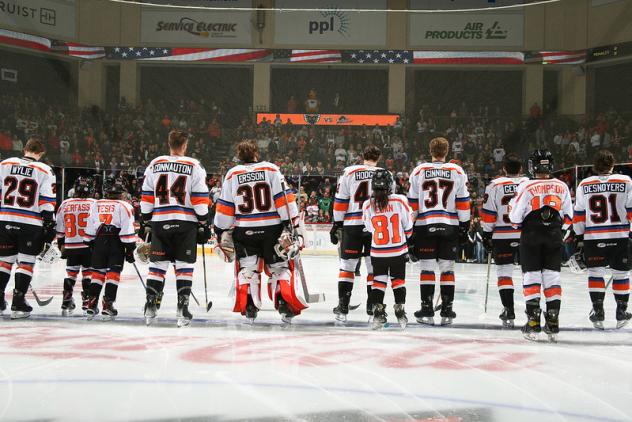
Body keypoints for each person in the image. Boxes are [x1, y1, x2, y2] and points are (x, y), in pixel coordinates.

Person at [214, 140, 306, 324]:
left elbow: (225, 209)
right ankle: (283, 304)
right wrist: (294, 226)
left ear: (239, 156)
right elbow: (284, 201)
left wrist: (221, 229)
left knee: (248, 270)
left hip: (244, 231)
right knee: (279, 268)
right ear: (256, 153)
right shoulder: (271, 169)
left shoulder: (232, 174)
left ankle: (249, 306)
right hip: (272, 230)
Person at [140, 130, 211, 327]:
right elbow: (199, 199)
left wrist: (146, 220)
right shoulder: (194, 165)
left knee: (157, 266)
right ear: (185, 145)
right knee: (184, 267)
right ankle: (182, 309)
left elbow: (146, 196)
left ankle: (150, 306)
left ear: (169, 143)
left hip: (160, 222)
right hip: (185, 223)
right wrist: (204, 222)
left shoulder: (155, 164)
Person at [509, 149, 573, 342]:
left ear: (532, 166)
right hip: (554, 235)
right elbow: (569, 217)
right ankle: (553, 320)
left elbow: (514, 218)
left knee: (532, 276)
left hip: (531, 235)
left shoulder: (526, 186)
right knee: (552, 277)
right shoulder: (561, 185)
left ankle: (533, 321)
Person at [408, 137, 470, 326]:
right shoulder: (457, 171)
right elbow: (463, 201)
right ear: (447, 151)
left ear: (430, 150)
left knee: (427, 268)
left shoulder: (419, 170)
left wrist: (410, 229)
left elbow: (412, 203)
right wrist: (464, 225)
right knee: (447, 269)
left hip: (425, 225)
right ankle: (447, 310)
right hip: (449, 224)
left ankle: (426, 308)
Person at [573, 150, 632, 329]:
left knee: (595, 273)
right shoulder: (626, 181)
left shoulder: (584, 184)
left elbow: (579, 215)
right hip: (620, 236)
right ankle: (621, 312)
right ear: (612, 165)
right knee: (621, 274)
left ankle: (597, 311)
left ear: (595, 166)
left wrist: (579, 236)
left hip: (594, 237)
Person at [0, 138, 56, 319]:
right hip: (30, 223)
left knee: (4, 261)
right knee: (25, 262)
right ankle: (18, 302)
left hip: (5, 219)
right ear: (41, 153)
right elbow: (47, 201)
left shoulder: (5, 164)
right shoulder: (44, 170)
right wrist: (49, 224)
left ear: (25, 149)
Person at [331, 146, 387, 323]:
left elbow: (341, 201)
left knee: (347, 267)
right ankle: (373, 306)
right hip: (375, 226)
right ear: (379, 158)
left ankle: (343, 307)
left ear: (362, 156)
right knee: (374, 269)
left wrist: (337, 223)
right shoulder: (386, 174)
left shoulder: (349, 171)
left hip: (353, 225)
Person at [480, 154, 529, 328]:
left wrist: (486, 234)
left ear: (504, 170)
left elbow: (488, 214)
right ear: (521, 170)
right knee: (529, 274)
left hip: (502, 235)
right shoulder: (528, 184)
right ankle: (532, 309)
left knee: (504, 273)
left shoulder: (494, 185)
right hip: (526, 235)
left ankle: (508, 309)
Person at [362, 170, 413, 329]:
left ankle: (377, 311)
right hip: (398, 250)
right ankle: (400, 309)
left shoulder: (367, 204)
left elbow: (369, 228)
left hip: (378, 251)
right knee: (398, 281)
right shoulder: (400, 200)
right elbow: (408, 224)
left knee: (379, 282)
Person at [84, 177, 136, 321]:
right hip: (116, 243)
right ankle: (107, 305)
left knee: (97, 274)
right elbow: (126, 229)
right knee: (113, 274)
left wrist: (89, 241)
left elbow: (90, 226)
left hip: (99, 242)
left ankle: (91, 304)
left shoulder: (96, 204)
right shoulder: (125, 205)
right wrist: (130, 249)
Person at [55, 176, 96, 316]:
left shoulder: (65, 203)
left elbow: (59, 228)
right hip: (89, 245)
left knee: (71, 273)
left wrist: (61, 243)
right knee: (88, 274)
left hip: (71, 244)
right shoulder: (94, 203)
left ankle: (66, 300)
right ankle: (87, 302)